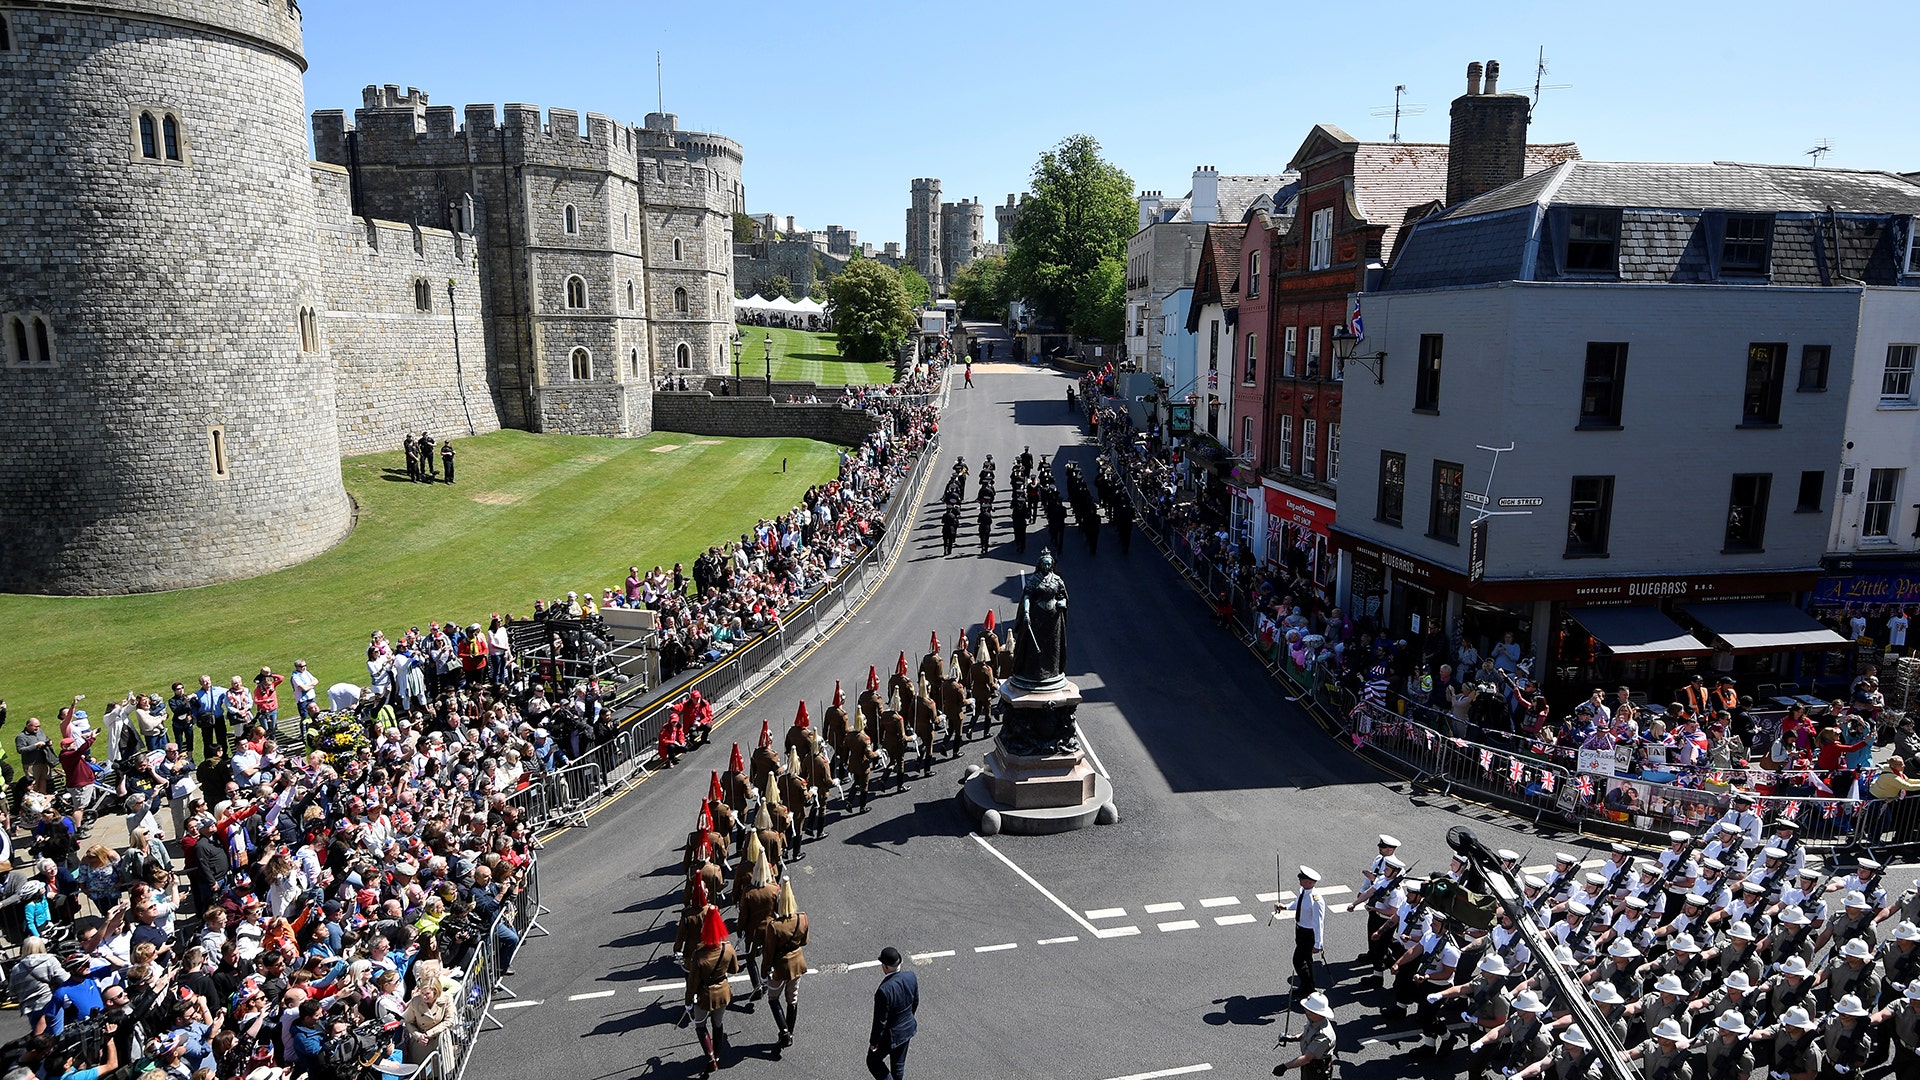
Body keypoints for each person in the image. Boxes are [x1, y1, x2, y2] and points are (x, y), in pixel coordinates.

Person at [685, 907, 738, 1076]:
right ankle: (718, 1055)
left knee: (700, 1024)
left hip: (705, 995)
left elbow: (692, 983)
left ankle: (710, 1058)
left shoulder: (699, 955)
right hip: (722, 992)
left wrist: (687, 1002)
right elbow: (735, 969)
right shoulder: (728, 948)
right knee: (718, 1024)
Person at [868, 945, 918, 1080]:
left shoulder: (884, 991)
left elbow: (880, 1021)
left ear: (885, 966)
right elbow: (915, 1003)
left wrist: (874, 1042)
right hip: (907, 1029)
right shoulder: (911, 977)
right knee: (898, 1066)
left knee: (873, 1061)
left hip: (891, 1035)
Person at [1279, 866, 1326, 994]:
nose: (1299, 879)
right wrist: (1285, 907)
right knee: (1306, 960)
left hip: (1308, 934)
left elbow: (1318, 923)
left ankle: (1308, 987)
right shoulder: (1303, 891)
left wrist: (1318, 944)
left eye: (1302, 878)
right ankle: (1308, 986)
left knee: (1298, 960)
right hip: (1300, 931)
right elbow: (1297, 904)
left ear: (1310, 882)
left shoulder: (1316, 900)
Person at [1273, 991, 1336, 1077]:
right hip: (1310, 1066)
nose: (1305, 1010)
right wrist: (1292, 1038)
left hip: (1317, 1070)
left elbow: (1306, 1058)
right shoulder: (1314, 1020)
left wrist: (1285, 1066)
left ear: (1316, 1013)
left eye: (1308, 1009)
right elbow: (1307, 1034)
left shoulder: (1323, 1036)